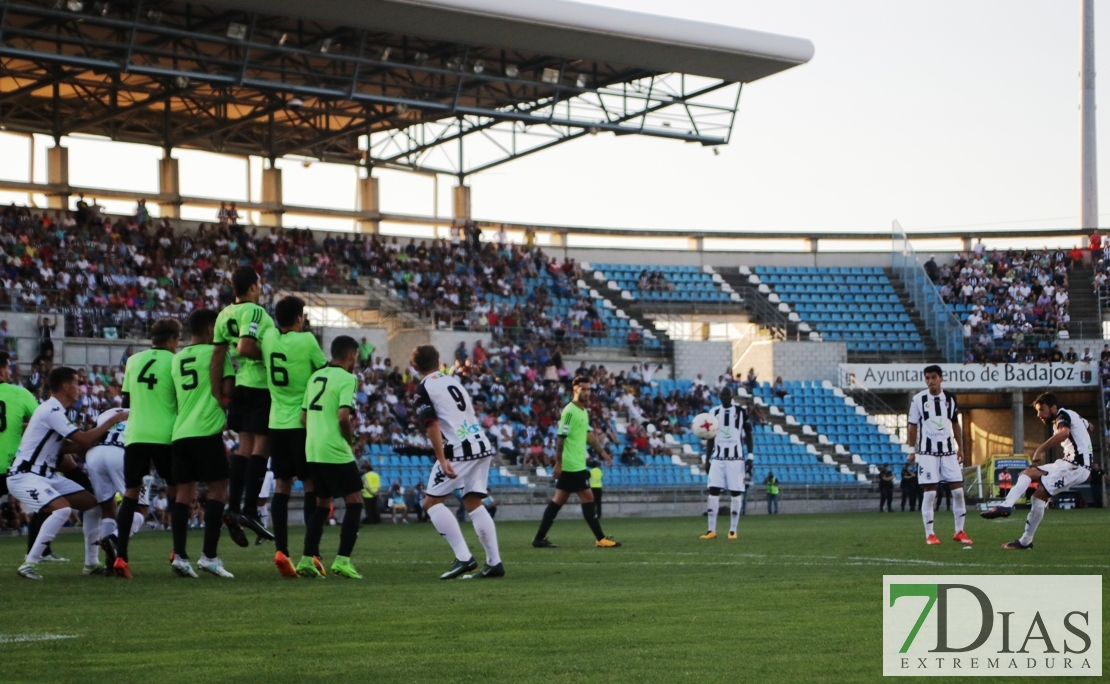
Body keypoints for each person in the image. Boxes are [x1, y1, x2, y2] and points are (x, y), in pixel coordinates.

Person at [8, 367, 127, 579]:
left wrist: (86, 446)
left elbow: (63, 446)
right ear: (65, 386)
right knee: (61, 510)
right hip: (25, 475)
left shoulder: (56, 411)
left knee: (93, 505)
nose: (80, 389)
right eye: (76, 384)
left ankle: (91, 564)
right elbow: (84, 439)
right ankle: (29, 564)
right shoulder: (51, 411)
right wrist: (112, 420)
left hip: (44, 475)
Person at [411, 343, 504, 579]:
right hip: (481, 443)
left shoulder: (423, 389)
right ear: (439, 360)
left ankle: (464, 558)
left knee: (431, 503)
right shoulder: (453, 381)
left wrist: (441, 459)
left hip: (459, 449)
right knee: (473, 502)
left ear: (414, 365)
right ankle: (494, 563)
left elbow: (431, 423)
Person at [260, 295, 328, 577]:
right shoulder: (308, 341)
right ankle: (311, 552)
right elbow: (324, 372)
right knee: (311, 486)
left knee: (281, 487)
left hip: (276, 423)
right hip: (303, 423)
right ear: (300, 317)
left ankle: (281, 549)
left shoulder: (268, 340)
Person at [168, 308, 237, 578]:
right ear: (211, 329)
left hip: (181, 433)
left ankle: (180, 556)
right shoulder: (217, 354)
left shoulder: (177, 359)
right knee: (218, 491)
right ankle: (209, 556)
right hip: (206, 430)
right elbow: (228, 390)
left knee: (183, 495)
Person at [111, 318, 182, 578]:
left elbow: (127, 400)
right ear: (173, 339)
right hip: (166, 434)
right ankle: (178, 552)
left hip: (136, 434)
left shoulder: (133, 361)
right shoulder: (175, 361)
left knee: (130, 493)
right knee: (176, 491)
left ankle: (121, 556)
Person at [982, 393, 1093, 549]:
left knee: (1038, 496)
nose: (1039, 414)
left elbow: (1064, 434)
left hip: (1076, 467)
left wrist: (1040, 449)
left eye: (1042, 410)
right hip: (1067, 463)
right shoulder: (1071, 415)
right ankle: (1007, 505)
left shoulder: (1062, 415)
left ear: (1054, 408)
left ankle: (1025, 541)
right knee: (1027, 473)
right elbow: (1090, 426)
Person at [212, 266, 275, 541]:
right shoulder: (255, 311)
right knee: (262, 445)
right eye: (258, 285)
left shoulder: (223, 314)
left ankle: (234, 506)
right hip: (260, 385)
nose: (260, 290)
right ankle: (250, 509)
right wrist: (272, 358)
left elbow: (217, 355)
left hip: (240, 387)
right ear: (251, 287)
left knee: (244, 447)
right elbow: (245, 347)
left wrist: (218, 393)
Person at [296, 335, 365, 579]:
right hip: (334, 449)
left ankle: (306, 558)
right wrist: (350, 440)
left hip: (313, 449)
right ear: (351, 355)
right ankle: (343, 560)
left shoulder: (314, 377)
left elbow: (303, 418)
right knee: (355, 501)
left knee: (322, 504)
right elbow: (343, 416)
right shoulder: (347, 378)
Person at [532, 376, 621, 548]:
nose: (587, 392)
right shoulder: (569, 411)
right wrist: (558, 463)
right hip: (572, 465)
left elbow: (588, 435)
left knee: (558, 501)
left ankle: (539, 538)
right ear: (575, 389)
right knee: (588, 498)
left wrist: (603, 452)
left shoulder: (583, 411)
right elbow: (560, 438)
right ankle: (600, 538)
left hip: (577, 463)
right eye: (583, 389)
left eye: (589, 389)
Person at [907, 365, 972, 546]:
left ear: (941, 378)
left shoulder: (950, 398)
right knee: (930, 494)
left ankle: (959, 531)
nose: (930, 381)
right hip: (928, 453)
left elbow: (955, 424)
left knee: (958, 492)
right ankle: (930, 534)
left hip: (949, 452)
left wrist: (961, 448)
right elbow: (912, 425)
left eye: (933, 377)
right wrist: (911, 450)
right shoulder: (919, 399)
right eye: (927, 378)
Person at [699, 387, 752, 540]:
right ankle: (711, 530)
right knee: (713, 491)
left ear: (732, 396)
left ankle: (733, 530)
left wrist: (751, 456)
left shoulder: (741, 412)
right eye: (722, 395)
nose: (724, 397)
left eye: (727, 395)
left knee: (735, 492)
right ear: (720, 396)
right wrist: (708, 459)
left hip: (736, 459)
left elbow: (748, 434)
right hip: (718, 458)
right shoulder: (714, 412)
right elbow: (710, 437)